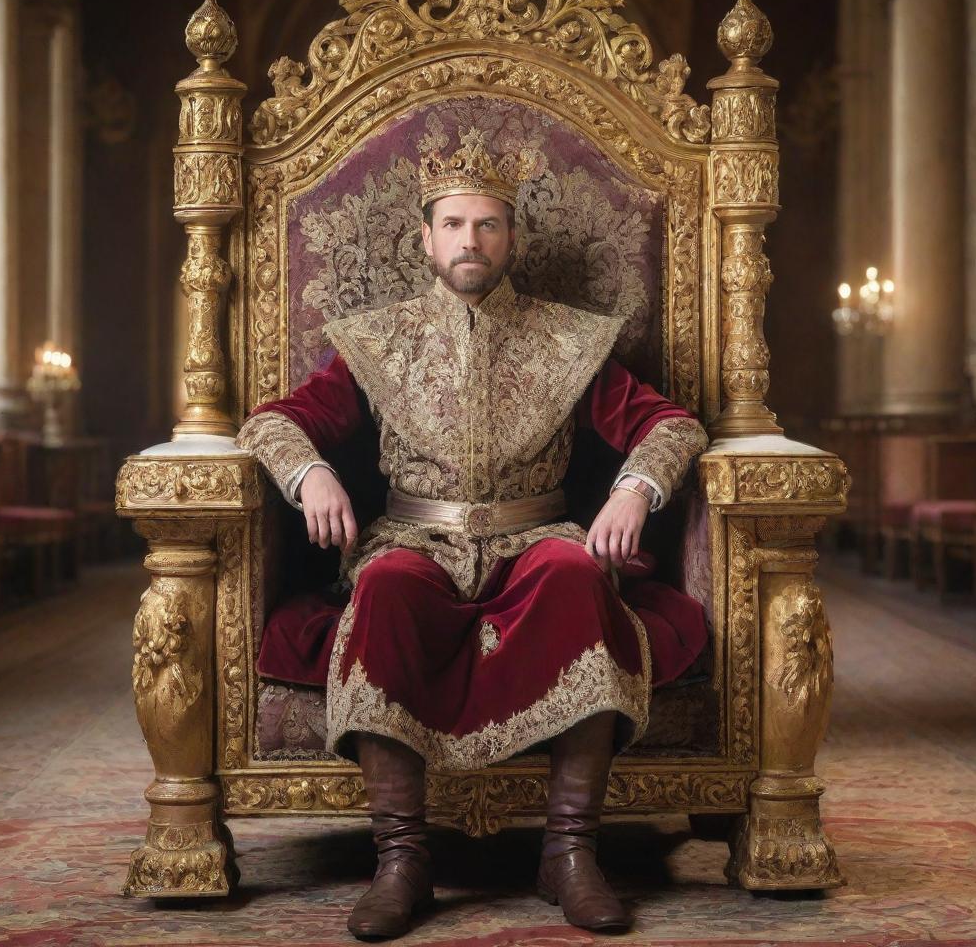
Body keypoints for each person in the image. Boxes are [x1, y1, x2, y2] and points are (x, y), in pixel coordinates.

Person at [236, 128, 709, 940]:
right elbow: (274, 423)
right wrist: (309, 473)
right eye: (453, 225)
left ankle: (569, 853)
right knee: (383, 588)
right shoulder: (374, 343)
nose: (470, 241)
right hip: (411, 546)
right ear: (426, 237)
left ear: (512, 237)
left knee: (573, 573)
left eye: (487, 225)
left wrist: (634, 490)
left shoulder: (571, 340)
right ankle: (402, 859)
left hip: (537, 542)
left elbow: (671, 426)